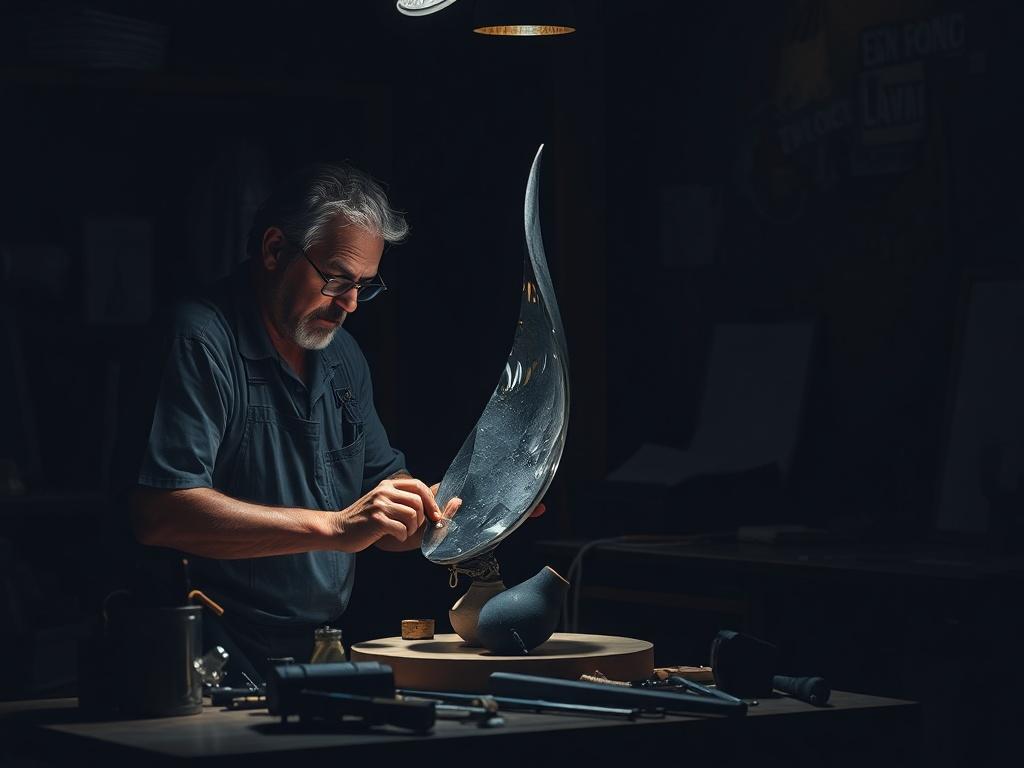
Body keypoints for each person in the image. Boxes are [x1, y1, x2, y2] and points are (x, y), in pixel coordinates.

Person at [126, 162, 540, 683]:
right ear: (275, 250)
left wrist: (463, 510)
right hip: (204, 648)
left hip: (314, 646)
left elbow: (383, 524)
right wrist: (336, 526)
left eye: (364, 285)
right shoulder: (199, 341)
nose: (348, 304)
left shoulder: (340, 354)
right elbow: (161, 513)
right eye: (336, 279)